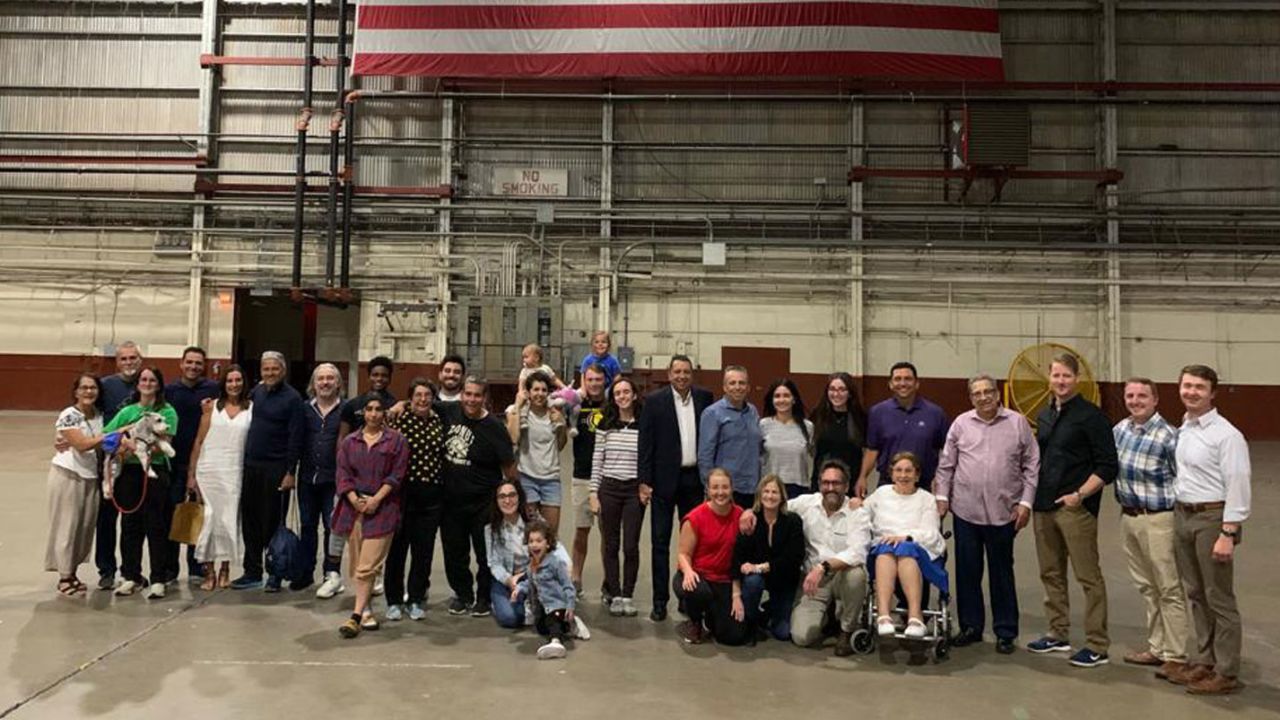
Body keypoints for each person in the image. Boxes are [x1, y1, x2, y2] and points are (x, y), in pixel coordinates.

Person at [933, 373, 1039, 654]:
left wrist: (1025, 503)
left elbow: (1032, 465)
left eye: (988, 391)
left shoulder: (1017, 423)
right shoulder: (961, 424)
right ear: (971, 398)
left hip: (1004, 513)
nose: (983, 397)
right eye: (977, 393)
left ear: (997, 393)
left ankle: (1005, 631)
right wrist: (942, 498)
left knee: (1001, 572)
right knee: (967, 571)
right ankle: (971, 626)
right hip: (966, 511)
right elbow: (946, 465)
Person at [1162, 365, 1250, 695]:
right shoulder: (1186, 426)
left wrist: (1228, 532)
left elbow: (1238, 483)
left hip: (1213, 518)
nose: (1191, 392)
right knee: (1196, 594)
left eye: (1199, 387)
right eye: (1186, 385)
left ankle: (1226, 672)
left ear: (1212, 393)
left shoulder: (1226, 435)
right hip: (1184, 515)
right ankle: (1206, 660)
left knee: (1219, 598)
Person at [1027, 352, 1119, 668]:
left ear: (1077, 379)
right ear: (1049, 379)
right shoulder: (1045, 415)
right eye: (1056, 375)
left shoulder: (1092, 417)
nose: (1061, 381)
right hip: (1044, 506)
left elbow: (1108, 466)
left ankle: (1097, 644)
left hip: (1074, 510)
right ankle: (1057, 632)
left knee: (1088, 577)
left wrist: (1079, 495)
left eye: (1067, 376)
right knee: (1050, 573)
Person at [1112, 378, 1187, 671]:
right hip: (1128, 517)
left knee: (1168, 587)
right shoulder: (1119, 431)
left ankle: (1176, 655)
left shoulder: (1169, 436)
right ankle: (1157, 647)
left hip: (1159, 519)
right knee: (1146, 586)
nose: (1135, 400)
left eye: (1142, 395)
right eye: (1130, 395)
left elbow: (1182, 478)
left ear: (1155, 399)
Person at [638, 354, 714, 622]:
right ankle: (660, 601)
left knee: (692, 544)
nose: (682, 376)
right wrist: (644, 480)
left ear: (692, 375)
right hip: (662, 481)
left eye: (686, 372)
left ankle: (687, 596)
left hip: (694, 481)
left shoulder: (705, 398)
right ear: (669, 374)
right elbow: (645, 444)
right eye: (677, 372)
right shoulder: (654, 402)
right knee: (660, 542)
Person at [774, 459, 870, 655]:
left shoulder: (856, 512)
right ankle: (827, 613)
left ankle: (846, 629)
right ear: (819, 485)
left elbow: (858, 552)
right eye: (826, 483)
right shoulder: (806, 503)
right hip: (815, 584)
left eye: (836, 483)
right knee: (801, 637)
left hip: (841, 576)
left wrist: (822, 567)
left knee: (856, 575)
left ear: (846, 486)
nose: (830, 488)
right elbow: (775, 506)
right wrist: (749, 512)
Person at [334, 396, 409, 638]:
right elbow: (343, 473)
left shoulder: (396, 441)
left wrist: (376, 499)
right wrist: (354, 498)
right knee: (357, 564)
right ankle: (366, 610)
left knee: (368, 565)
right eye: (370, 409)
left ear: (384, 413)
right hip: (354, 507)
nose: (374, 414)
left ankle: (354, 616)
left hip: (383, 508)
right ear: (363, 413)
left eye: (379, 410)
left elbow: (397, 475)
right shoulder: (349, 442)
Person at [441, 376, 516, 617]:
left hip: (483, 502)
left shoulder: (495, 427)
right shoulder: (450, 411)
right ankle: (462, 594)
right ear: (461, 394)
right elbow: (422, 403)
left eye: (477, 395)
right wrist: (400, 405)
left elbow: (509, 467)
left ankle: (484, 597)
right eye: (468, 394)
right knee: (454, 552)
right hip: (451, 501)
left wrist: (515, 499)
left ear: (485, 398)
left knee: (486, 554)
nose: (471, 399)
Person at [102, 366, 179, 599]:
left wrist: (141, 446)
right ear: (138, 384)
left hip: (154, 470)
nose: (147, 383)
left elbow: (164, 442)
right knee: (130, 524)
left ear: (158, 384)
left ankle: (158, 578)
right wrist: (124, 443)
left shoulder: (167, 412)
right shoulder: (127, 412)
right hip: (129, 473)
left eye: (152, 379)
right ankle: (131, 576)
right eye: (143, 379)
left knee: (156, 525)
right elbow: (108, 436)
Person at [232, 351, 304, 592]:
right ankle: (252, 571)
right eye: (266, 369)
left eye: (274, 369)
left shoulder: (293, 399)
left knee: (273, 523)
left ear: (282, 371)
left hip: (277, 469)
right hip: (251, 466)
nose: (270, 373)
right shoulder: (255, 394)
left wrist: (290, 472)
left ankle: (275, 574)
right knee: (250, 521)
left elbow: (296, 438)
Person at [864, 452, 947, 640]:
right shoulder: (881, 494)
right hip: (884, 551)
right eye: (898, 470)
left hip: (916, 550)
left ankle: (915, 617)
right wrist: (854, 503)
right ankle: (884, 616)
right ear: (892, 474)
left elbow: (931, 533)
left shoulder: (926, 499)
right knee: (885, 549)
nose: (903, 475)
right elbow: (862, 514)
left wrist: (905, 537)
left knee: (905, 549)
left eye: (909, 471)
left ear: (917, 475)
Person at [384, 378, 446, 621]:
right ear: (410, 398)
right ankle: (394, 600)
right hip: (402, 494)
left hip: (431, 496)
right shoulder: (398, 418)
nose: (423, 399)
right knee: (398, 550)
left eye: (427, 395)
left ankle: (417, 598)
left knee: (423, 552)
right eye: (418, 395)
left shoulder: (438, 420)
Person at [188, 365, 252, 591]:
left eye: (238, 380)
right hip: (209, 471)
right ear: (223, 384)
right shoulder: (211, 408)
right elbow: (198, 441)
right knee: (209, 521)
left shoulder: (251, 409)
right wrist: (191, 475)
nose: (234, 385)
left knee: (228, 520)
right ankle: (209, 571)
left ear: (243, 383)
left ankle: (225, 569)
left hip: (234, 472)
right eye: (229, 381)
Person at [163, 346, 220, 583]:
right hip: (172, 463)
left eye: (198, 363)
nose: (193, 367)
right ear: (181, 364)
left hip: (203, 463)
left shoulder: (213, 390)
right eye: (189, 362)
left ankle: (197, 567)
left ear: (203, 366)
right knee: (172, 515)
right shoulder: (169, 391)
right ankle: (168, 568)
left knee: (198, 516)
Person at [673, 468, 749, 646]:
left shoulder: (740, 516)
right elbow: (683, 554)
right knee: (697, 591)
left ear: (732, 489)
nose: (720, 492)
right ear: (707, 489)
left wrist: (736, 593)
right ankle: (695, 620)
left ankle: (711, 618)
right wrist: (689, 571)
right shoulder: (695, 518)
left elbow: (741, 555)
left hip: (724, 580)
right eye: (715, 487)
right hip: (698, 576)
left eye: (725, 487)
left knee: (734, 636)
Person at [589, 376, 645, 616]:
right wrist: (593, 492)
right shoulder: (605, 424)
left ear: (634, 395)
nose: (622, 396)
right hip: (609, 490)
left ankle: (628, 594)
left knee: (631, 545)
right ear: (613, 398)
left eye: (626, 392)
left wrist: (646, 486)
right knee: (611, 545)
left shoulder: (643, 424)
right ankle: (614, 593)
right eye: (617, 393)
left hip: (634, 492)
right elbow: (597, 459)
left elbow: (648, 458)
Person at [46, 374, 106, 596]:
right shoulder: (69, 415)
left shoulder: (99, 416)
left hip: (90, 476)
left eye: (93, 388)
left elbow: (98, 446)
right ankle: (63, 576)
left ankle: (72, 572)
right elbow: (81, 444)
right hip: (67, 475)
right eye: (84, 388)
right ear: (76, 392)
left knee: (83, 527)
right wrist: (112, 434)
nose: (89, 392)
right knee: (67, 526)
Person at [857, 362, 949, 496]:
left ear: (917, 384)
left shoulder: (935, 413)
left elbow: (945, 452)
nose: (903, 383)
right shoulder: (878, 412)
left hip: (923, 486)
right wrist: (862, 477)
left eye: (908, 379)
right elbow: (872, 449)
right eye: (897, 379)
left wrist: (940, 482)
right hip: (888, 485)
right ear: (890, 384)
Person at [93, 340, 142, 590]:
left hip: (135, 462)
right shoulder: (106, 386)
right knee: (107, 517)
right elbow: (89, 413)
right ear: (117, 361)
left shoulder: (146, 383)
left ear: (140, 359)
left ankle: (131, 570)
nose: (128, 363)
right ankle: (106, 569)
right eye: (123, 358)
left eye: (133, 358)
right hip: (109, 462)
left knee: (133, 519)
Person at [732, 475, 805, 642]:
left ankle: (769, 611)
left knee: (783, 633)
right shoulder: (750, 519)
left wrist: (759, 567)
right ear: (759, 494)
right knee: (752, 582)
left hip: (784, 579)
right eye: (766, 491)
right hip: (759, 579)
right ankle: (752, 621)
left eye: (775, 492)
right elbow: (738, 554)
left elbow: (793, 559)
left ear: (782, 497)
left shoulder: (793, 521)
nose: (770, 496)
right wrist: (743, 568)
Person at [299, 364, 344, 596]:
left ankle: (332, 573)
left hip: (334, 479)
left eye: (330, 379)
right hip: (307, 478)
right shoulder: (304, 409)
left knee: (332, 527)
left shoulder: (346, 410)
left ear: (338, 383)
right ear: (313, 384)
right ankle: (306, 572)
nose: (325, 383)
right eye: (321, 379)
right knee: (307, 525)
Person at [505, 371, 567, 532]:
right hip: (527, 478)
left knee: (550, 534)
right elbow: (513, 438)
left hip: (551, 479)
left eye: (544, 390)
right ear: (528, 392)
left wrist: (562, 425)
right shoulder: (517, 411)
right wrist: (518, 406)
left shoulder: (554, 414)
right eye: (536, 390)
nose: (540, 394)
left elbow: (561, 445)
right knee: (530, 532)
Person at [698, 365, 761, 509]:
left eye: (742, 383)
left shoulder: (753, 411)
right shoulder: (712, 413)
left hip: (753, 488)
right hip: (726, 491)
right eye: (732, 383)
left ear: (748, 387)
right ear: (724, 387)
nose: (737, 387)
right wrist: (711, 489)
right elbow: (705, 456)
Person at [569, 364, 607, 597]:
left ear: (605, 381)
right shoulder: (575, 404)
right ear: (584, 380)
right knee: (581, 530)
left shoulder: (612, 406)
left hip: (607, 478)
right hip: (581, 476)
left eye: (598, 379)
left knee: (607, 533)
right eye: (590, 379)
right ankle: (575, 578)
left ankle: (608, 582)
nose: (594, 383)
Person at [515, 520, 580, 660]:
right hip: (542, 608)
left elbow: (567, 585)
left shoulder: (555, 563)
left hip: (557, 605)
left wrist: (570, 605)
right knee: (541, 627)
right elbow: (529, 582)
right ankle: (569, 626)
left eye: (539, 540)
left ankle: (556, 643)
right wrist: (519, 588)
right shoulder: (531, 566)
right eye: (531, 541)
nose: (534, 544)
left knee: (553, 621)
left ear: (548, 543)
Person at [809, 372, 867, 493]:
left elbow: (868, 452)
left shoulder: (860, 419)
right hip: (822, 480)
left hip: (851, 482)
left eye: (842, 389)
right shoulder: (817, 416)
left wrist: (862, 478)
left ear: (850, 393)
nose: (836, 394)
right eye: (832, 389)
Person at [759, 379, 814, 499]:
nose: (782, 400)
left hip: (799, 488)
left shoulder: (808, 427)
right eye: (777, 396)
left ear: (794, 399)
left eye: (786, 396)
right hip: (770, 489)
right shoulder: (763, 425)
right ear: (772, 400)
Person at [340, 356, 395, 438]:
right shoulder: (353, 405)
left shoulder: (395, 405)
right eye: (375, 375)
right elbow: (342, 436)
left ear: (390, 379)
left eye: (384, 375)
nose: (379, 378)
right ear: (368, 377)